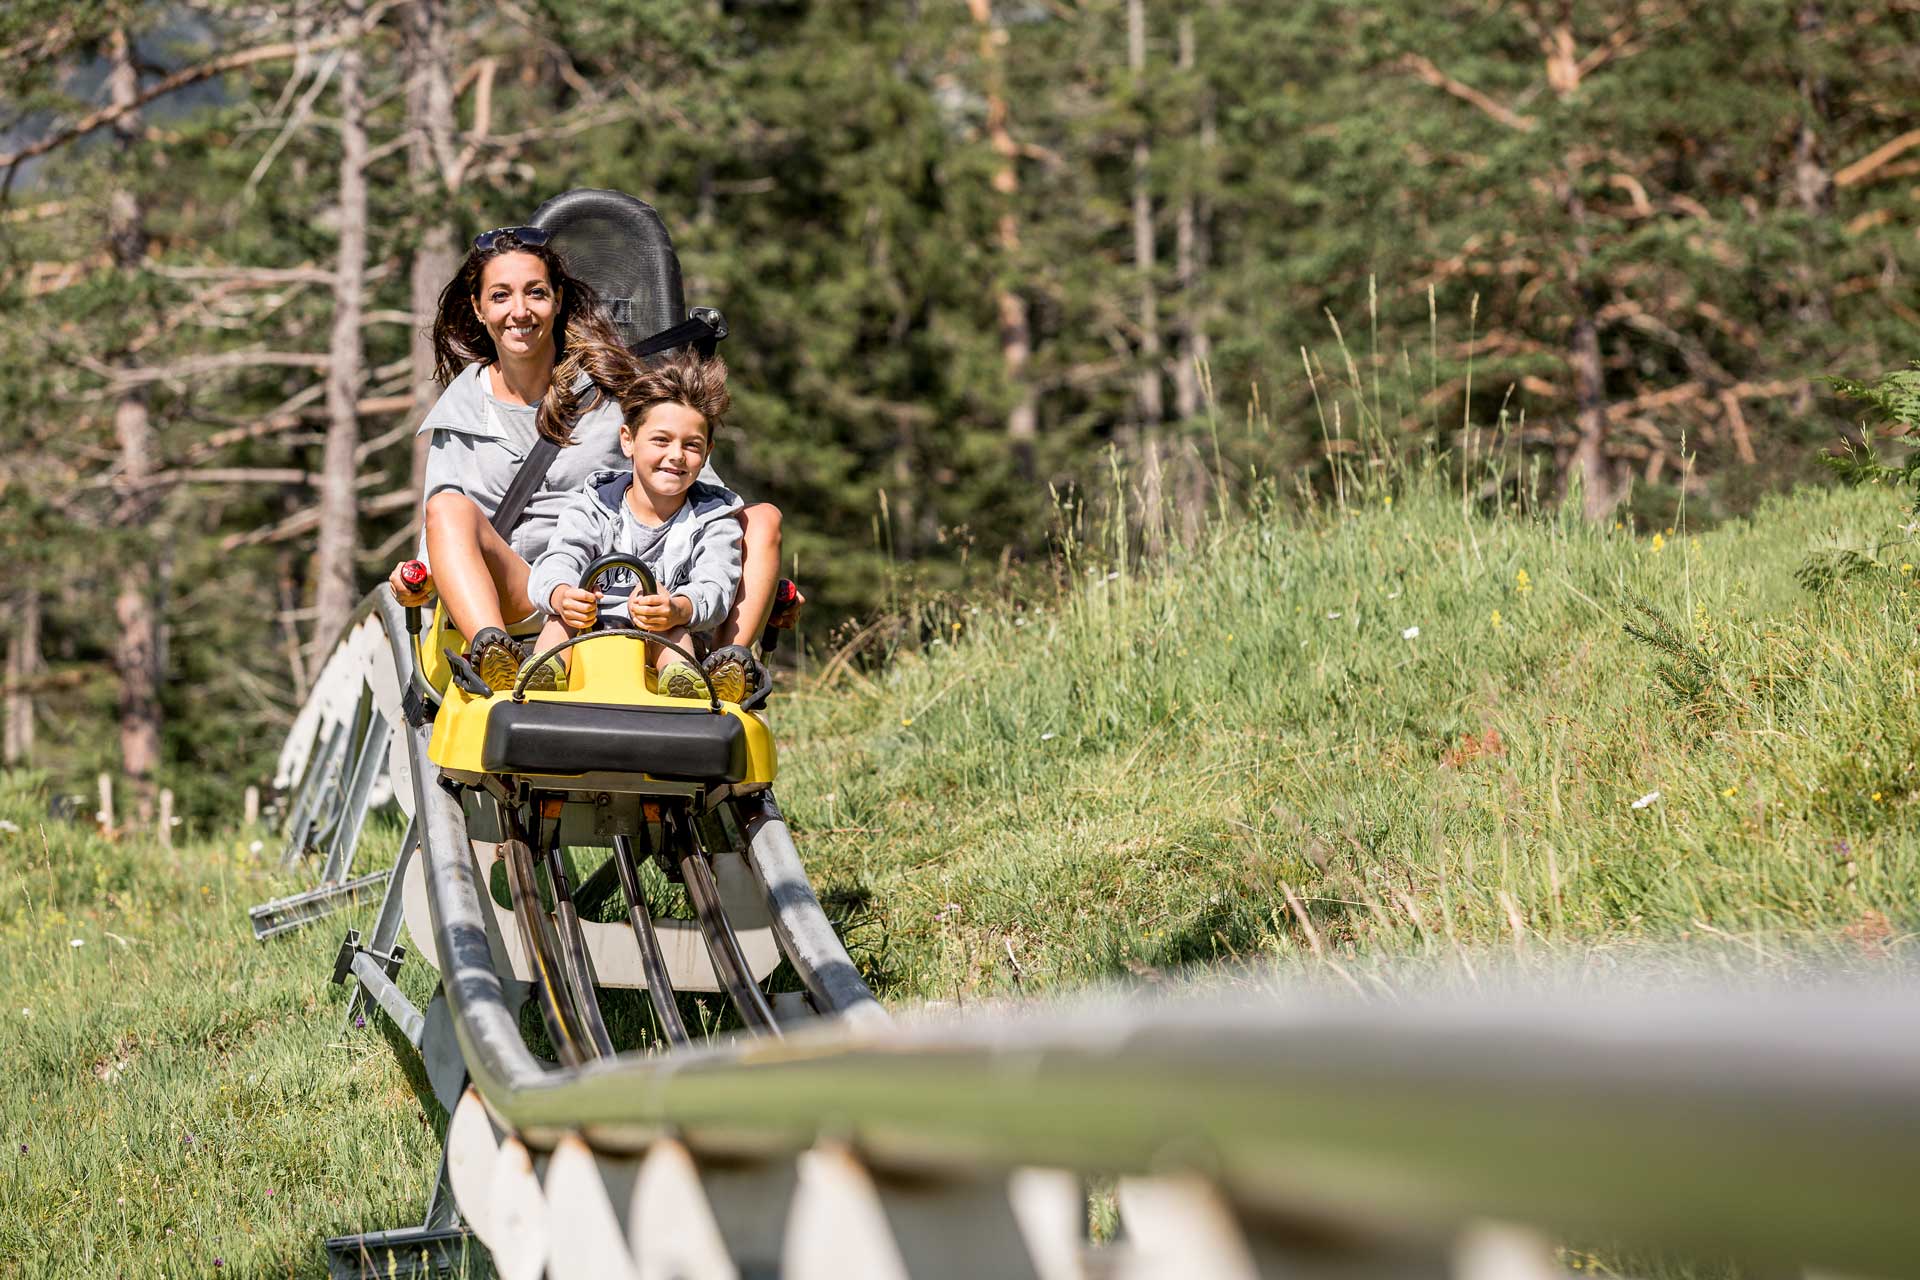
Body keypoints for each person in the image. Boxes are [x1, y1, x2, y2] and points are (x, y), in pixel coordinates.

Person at [386, 225, 796, 690]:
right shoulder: (460, 415)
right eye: (501, 296)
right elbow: (437, 545)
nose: (519, 311)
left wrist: (752, 590)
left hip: (628, 584)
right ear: (479, 308)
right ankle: (493, 658)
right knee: (446, 508)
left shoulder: (612, 390)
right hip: (528, 592)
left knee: (760, 518)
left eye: (535, 293)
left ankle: (729, 667)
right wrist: (416, 583)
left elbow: (705, 495)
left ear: (557, 300)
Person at [522, 353, 749, 700]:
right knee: (559, 621)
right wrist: (562, 594)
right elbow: (559, 558)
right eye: (661, 440)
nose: (676, 455)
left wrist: (679, 607)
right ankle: (540, 681)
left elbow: (717, 585)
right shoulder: (593, 505)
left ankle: (683, 692)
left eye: (691, 445)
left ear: (706, 454)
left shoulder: (714, 519)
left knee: (675, 633)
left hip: (660, 636)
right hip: (591, 633)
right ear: (628, 440)